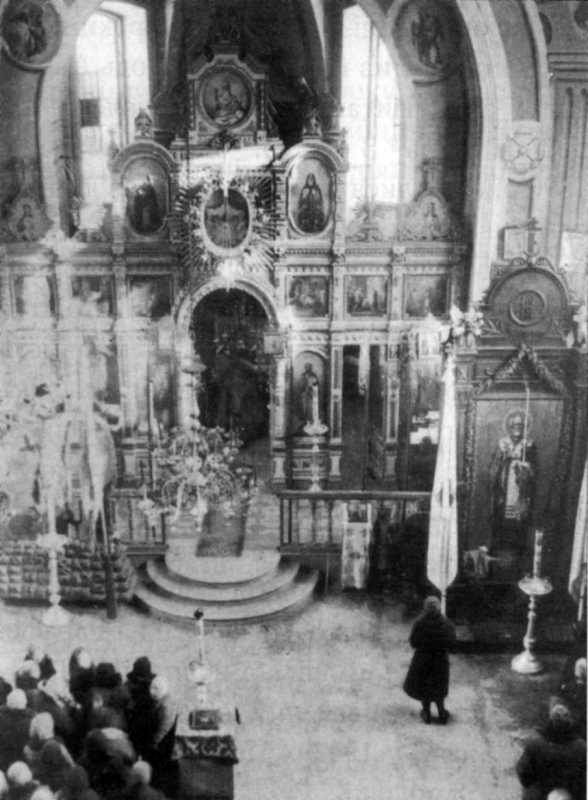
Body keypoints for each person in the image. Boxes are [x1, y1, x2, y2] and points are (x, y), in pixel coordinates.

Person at [489, 410, 537, 574]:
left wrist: (526, 467)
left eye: (520, 425)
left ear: (525, 427)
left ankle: (517, 564)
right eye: (514, 425)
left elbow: (535, 469)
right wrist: (505, 459)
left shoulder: (529, 445)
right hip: (504, 490)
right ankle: (499, 564)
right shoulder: (502, 444)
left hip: (520, 491)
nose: (517, 428)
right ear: (509, 427)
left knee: (518, 527)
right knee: (502, 526)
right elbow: (493, 468)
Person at [516, 700, 586, 800]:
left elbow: (523, 773)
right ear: (569, 722)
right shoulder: (582, 748)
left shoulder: (535, 745)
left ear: (550, 721)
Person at [403, 595, 456, 724]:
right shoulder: (446, 623)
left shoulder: (419, 623)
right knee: (438, 687)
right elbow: (452, 641)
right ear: (438, 608)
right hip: (440, 660)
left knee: (424, 686)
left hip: (423, 659)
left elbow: (413, 642)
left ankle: (426, 712)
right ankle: (441, 712)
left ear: (425, 608)